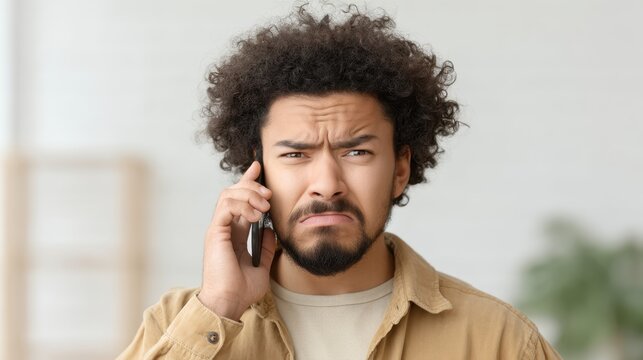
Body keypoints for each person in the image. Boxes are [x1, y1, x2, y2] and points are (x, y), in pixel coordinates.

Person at [118, 4, 561, 359]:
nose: (326, 185)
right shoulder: (180, 323)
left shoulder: (498, 341)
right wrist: (219, 308)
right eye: (295, 155)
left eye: (356, 152)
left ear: (400, 169)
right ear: (257, 171)